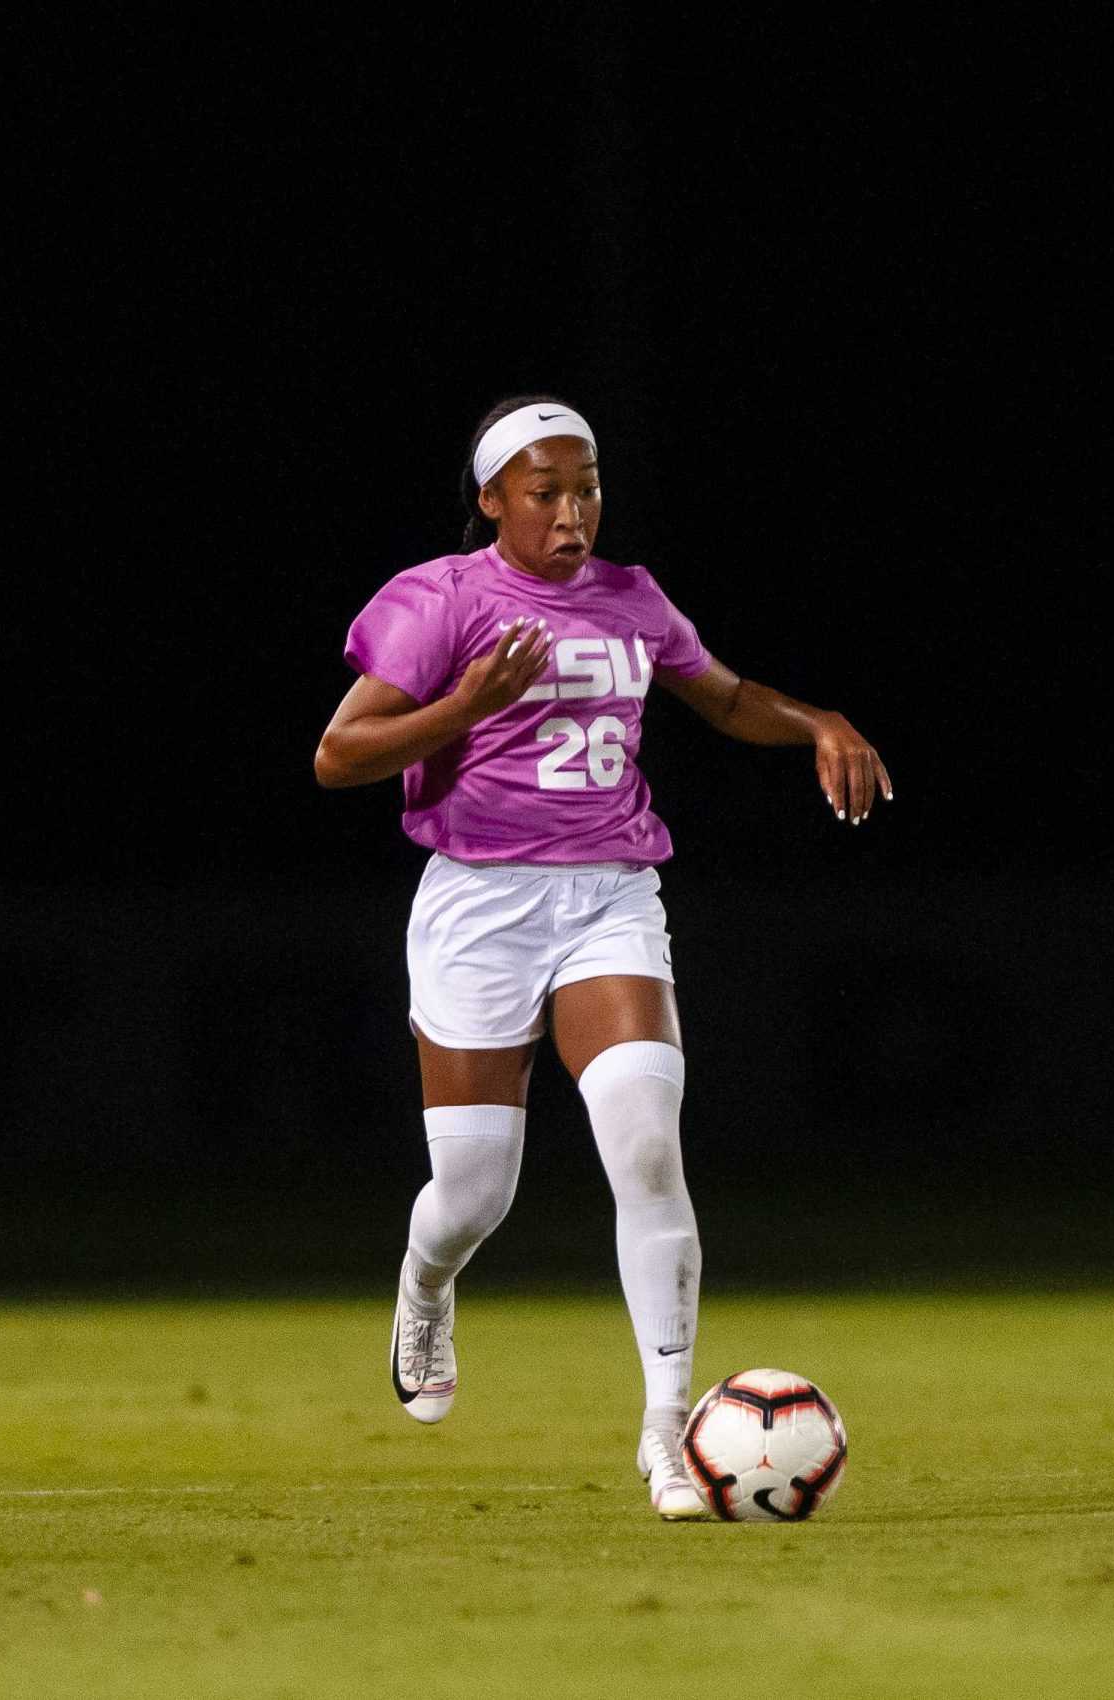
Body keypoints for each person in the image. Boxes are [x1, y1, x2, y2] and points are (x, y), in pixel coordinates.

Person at [314, 396, 892, 1521]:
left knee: (644, 1146)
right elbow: (339, 754)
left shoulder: (631, 597)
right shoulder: (440, 598)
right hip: (478, 903)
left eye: (587, 488)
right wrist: (462, 705)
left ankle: (666, 1431)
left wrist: (817, 718)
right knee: (475, 1192)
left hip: (609, 897)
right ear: (492, 498)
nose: (572, 512)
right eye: (546, 492)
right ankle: (425, 1282)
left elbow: (721, 698)